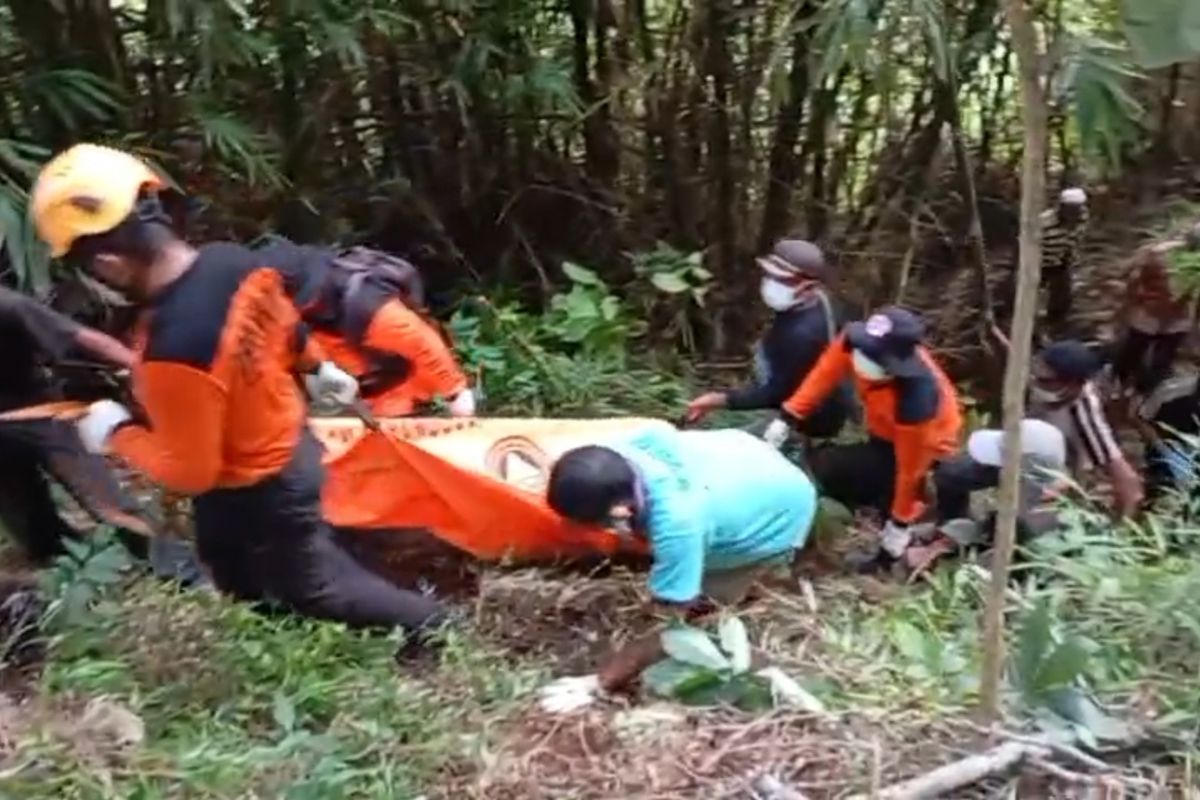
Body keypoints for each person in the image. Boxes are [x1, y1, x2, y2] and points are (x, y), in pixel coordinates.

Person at [28, 142, 447, 638]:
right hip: (280, 447)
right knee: (227, 559)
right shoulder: (234, 262)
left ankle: (432, 624)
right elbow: (285, 321)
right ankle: (270, 633)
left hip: (263, 479)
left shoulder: (175, 349)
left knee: (315, 586)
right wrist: (316, 365)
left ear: (110, 264)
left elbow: (190, 472)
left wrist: (116, 432)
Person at [538, 425, 818, 711]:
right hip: (748, 458)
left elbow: (670, 623)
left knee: (702, 613)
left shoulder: (679, 525)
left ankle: (773, 565)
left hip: (784, 507)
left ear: (620, 512)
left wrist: (601, 682)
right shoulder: (618, 450)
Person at [764, 306, 962, 571]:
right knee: (846, 469)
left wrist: (900, 522)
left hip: (927, 442)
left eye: (872, 356)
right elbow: (823, 375)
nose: (860, 357)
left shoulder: (917, 400)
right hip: (881, 428)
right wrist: (788, 416)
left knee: (892, 488)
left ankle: (896, 548)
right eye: (862, 349)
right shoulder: (854, 341)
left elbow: (909, 470)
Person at [0, 285, 174, 567]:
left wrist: (136, 366)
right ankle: (62, 560)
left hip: (40, 415)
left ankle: (177, 565)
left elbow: (81, 338)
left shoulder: (8, 306)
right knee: (30, 522)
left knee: (107, 506)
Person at [257, 240, 475, 418]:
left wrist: (455, 394)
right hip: (380, 389)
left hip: (410, 368)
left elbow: (421, 343)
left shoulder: (367, 303)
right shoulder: (303, 323)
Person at [684, 239, 854, 437]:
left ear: (808, 285)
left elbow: (777, 394)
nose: (772, 283)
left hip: (805, 415)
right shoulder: (817, 297)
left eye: (783, 280)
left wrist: (719, 400)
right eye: (770, 275)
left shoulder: (802, 335)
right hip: (795, 381)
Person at [1027, 340, 1143, 517]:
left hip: (1058, 475)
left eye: (1046, 381)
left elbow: (1128, 482)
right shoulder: (1040, 387)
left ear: (1073, 384)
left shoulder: (1083, 413)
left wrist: (1125, 528)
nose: (1038, 384)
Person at [1111, 225, 1198, 398]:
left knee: (1159, 357)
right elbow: (1136, 278)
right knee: (1134, 350)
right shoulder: (1160, 256)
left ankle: (1144, 389)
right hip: (1153, 311)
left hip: (1174, 316)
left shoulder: (1161, 254)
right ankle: (1122, 381)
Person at [1038, 187, 1089, 335]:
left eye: (1078, 208)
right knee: (1032, 294)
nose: (1075, 212)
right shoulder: (1044, 222)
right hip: (1041, 262)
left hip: (1062, 260)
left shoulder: (1083, 216)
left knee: (1063, 296)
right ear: (1062, 207)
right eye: (1071, 209)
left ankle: (1056, 325)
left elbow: (1077, 237)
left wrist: (1070, 256)